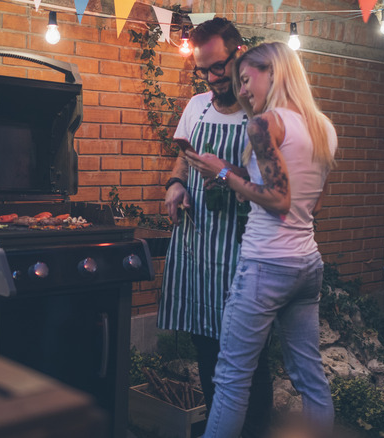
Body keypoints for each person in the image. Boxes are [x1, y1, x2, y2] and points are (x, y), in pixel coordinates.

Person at [184, 41, 338, 438]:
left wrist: (221, 175)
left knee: (232, 378)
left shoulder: (265, 123)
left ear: (274, 72)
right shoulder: (322, 126)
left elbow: (278, 199)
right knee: (310, 377)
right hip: (307, 264)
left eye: (247, 79)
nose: (243, 90)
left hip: (266, 265)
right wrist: (237, 177)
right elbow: (310, 201)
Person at [158, 17, 273, 438]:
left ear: (238, 54)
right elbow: (183, 157)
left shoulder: (260, 111)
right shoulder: (196, 106)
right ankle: (219, 425)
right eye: (203, 69)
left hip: (242, 248)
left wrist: (229, 175)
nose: (211, 77)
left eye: (218, 67)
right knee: (205, 347)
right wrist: (175, 184)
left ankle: (254, 429)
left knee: (248, 354)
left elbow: (273, 185)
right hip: (197, 243)